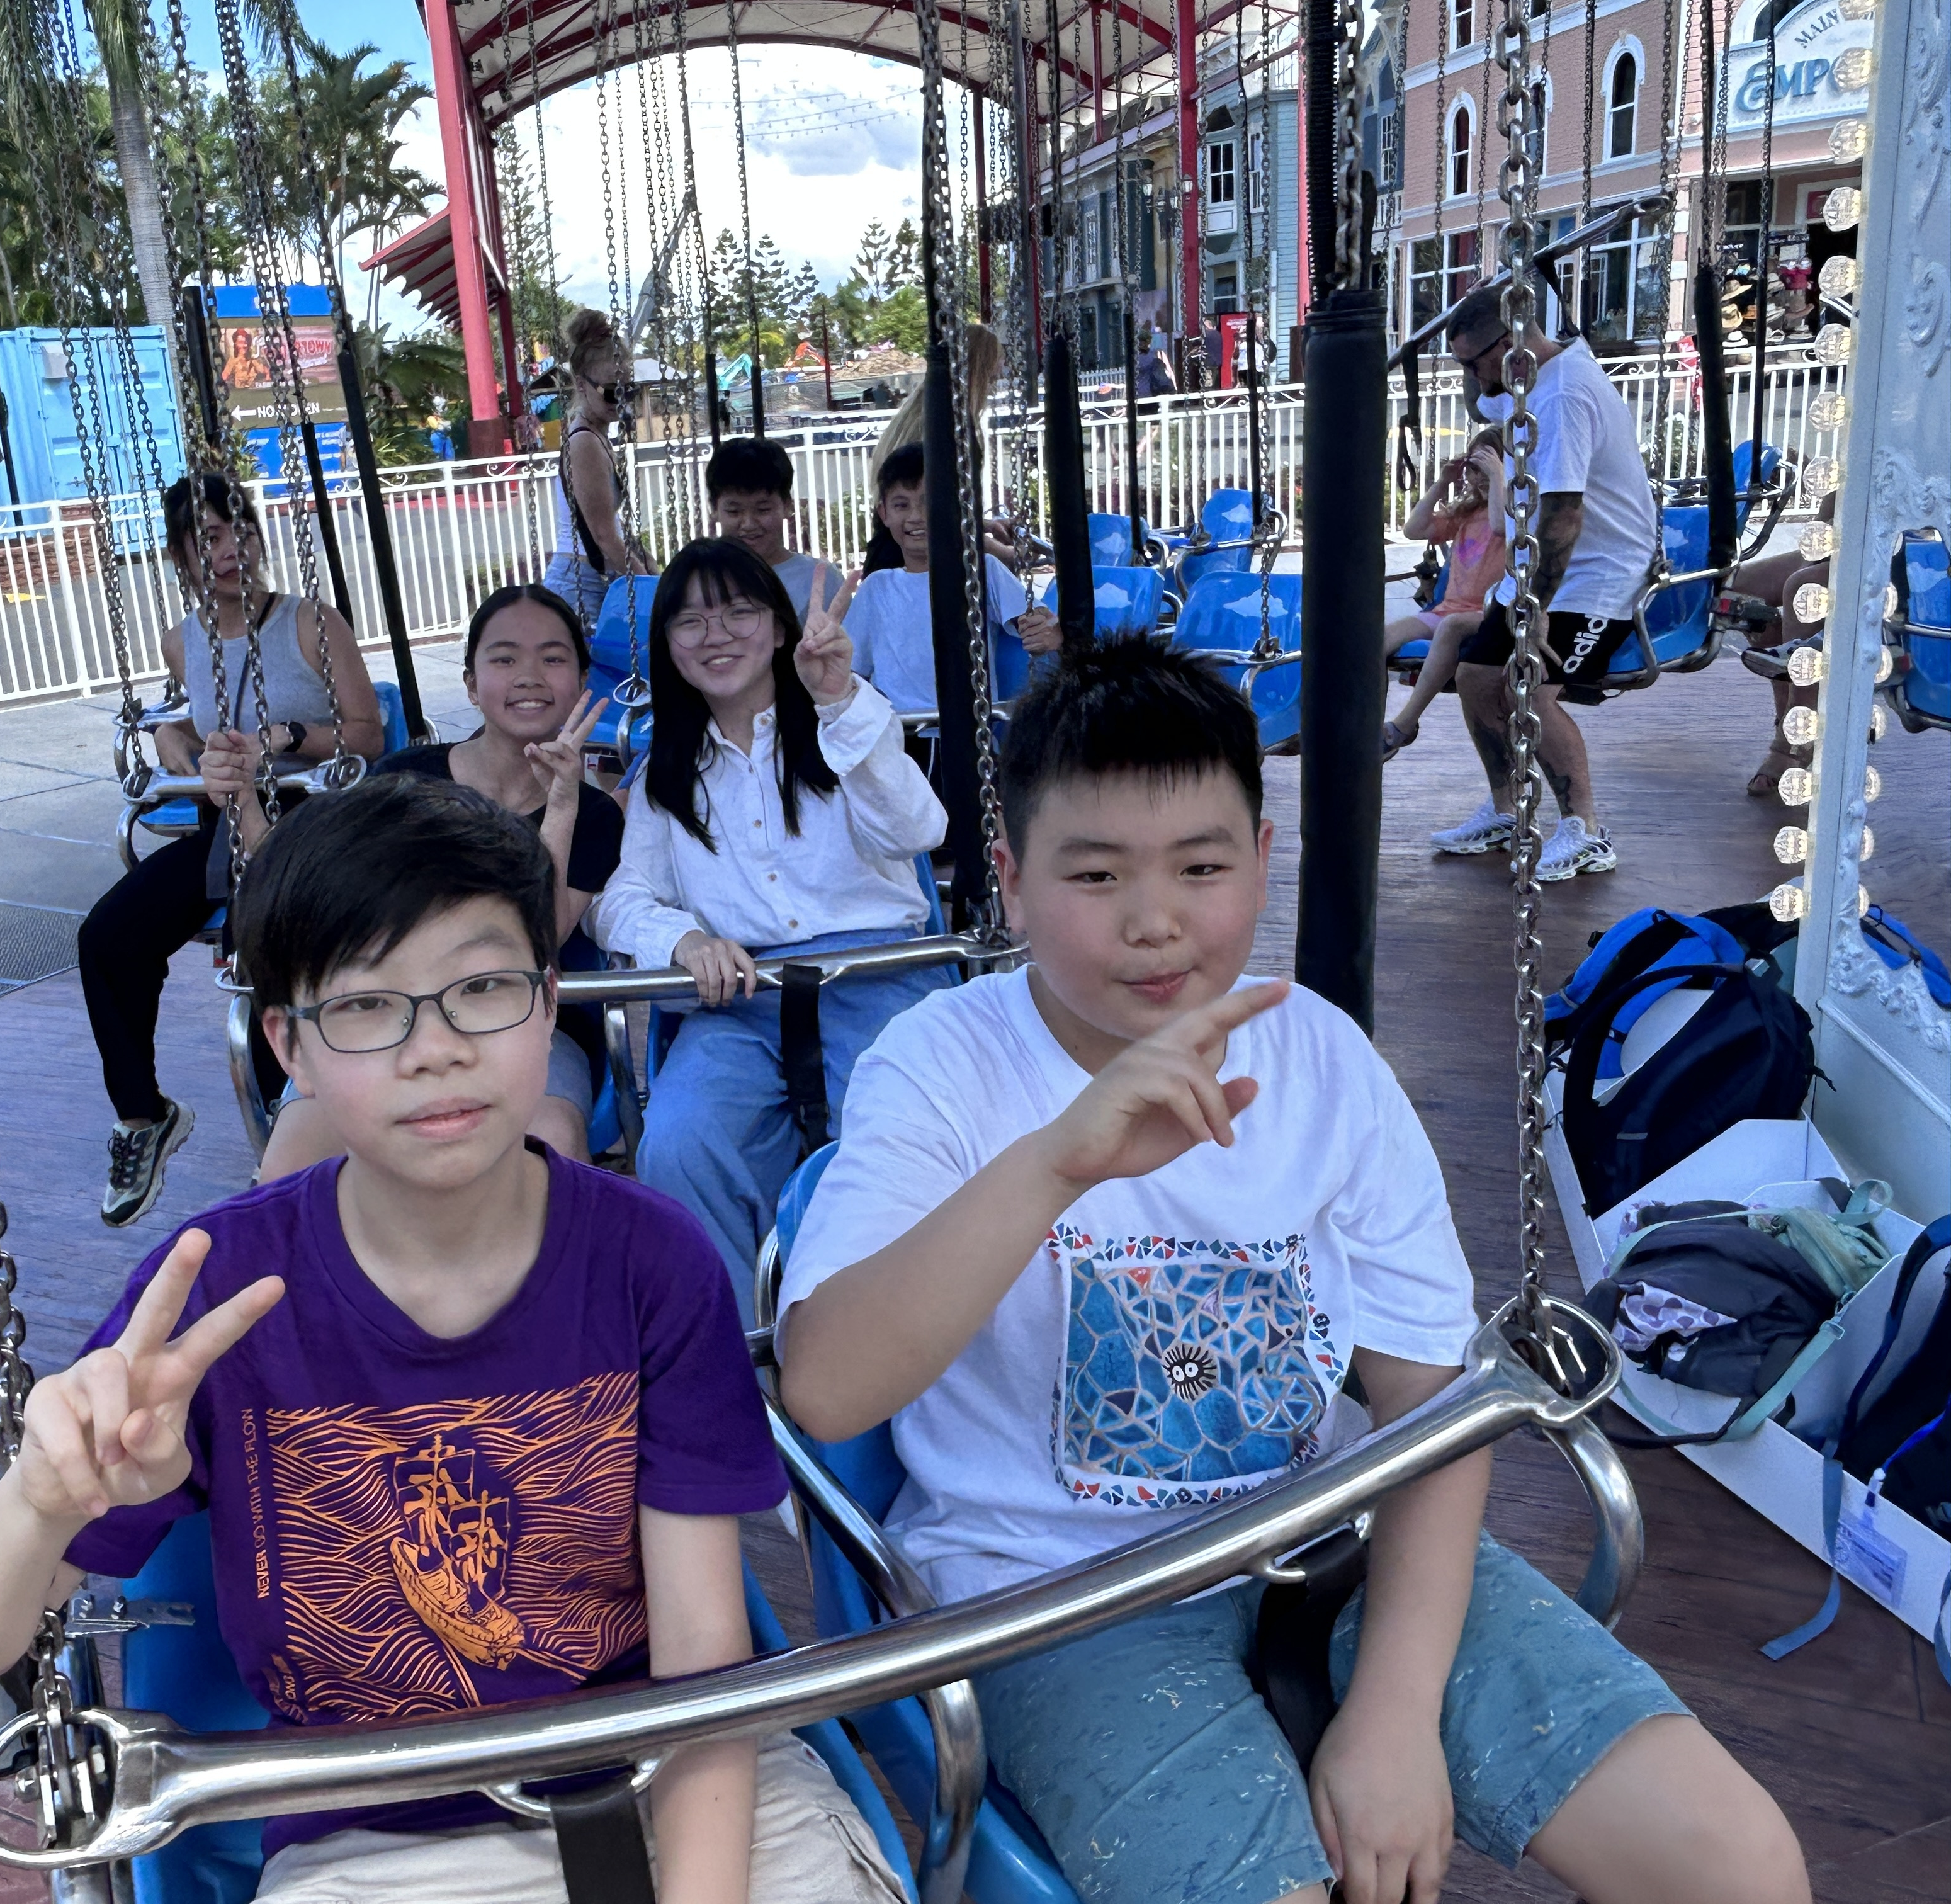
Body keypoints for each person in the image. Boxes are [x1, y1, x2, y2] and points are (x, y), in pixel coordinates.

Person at [774, 639, 1811, 1904]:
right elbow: (825, 1387)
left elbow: (1433, 1403)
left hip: (1334, 1542)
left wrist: (1395, 1711)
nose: (1154, 920)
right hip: (1061, 1603)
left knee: (1738, 1862)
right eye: (1094, 874)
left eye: (1201, 867)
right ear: (1012, 878)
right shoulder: (940, 1069)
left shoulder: (1320, 1061)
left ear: (1261, 860)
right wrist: (1056, 1163)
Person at [0, 777, 907, 1904]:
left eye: (481, 988)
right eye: (368, 1005)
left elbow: (702, 1659)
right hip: (381, 1829)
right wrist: (42, 1502)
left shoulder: (650, 1263)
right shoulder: (221, 1296)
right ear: (289, 1045)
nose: (435, 1048)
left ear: (547, 1003)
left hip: (669, 1768)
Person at [593, 536, 951, 1316]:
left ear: (781, 627)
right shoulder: (665, 775)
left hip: (875, 973)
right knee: (681, 1142)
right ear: (668, 646)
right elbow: (620, 898)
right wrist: (684, 941)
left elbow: (920, 829)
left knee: (905, 1136)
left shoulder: (845, 723)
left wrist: (839, 700)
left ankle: (906, 1326)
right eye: (691, 621)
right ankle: (738, 1342)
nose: (716, 635)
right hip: (743, 993)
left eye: (739, 612)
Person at [76, 472, 380, 1228]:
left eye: (237, 529)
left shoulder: (311, 622)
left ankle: (298, 1128)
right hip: (226, 825)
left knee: (266, 947)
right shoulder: (184, 642)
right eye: (207, 537)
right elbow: (197, 712)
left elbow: (368, 736)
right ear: (181, 555)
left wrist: (289, 736)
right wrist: (172, 736)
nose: (228, 549)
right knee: (107, 937)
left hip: (308, 819)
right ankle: (144, 1116)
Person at [258, 585, 618, 1177]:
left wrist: (560, 806)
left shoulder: (594, 815)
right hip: (385, 1009)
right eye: (505, 658)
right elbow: (330, 900)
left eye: (553, 658)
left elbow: (542, 938)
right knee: (292, 1159)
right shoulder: (407, 779)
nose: (529, 675)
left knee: (550, 1145)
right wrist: (242, 797)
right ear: (472, 685)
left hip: (520, 1019)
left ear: (582, 682)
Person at [1434, 286, 1656, 882]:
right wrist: (1479, 372)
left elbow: (1562, 520)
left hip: (1598, 574)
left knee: (1525, 688)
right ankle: (1505, 811)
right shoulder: (1526, 383)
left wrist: (1534, 616)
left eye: (1475, 363)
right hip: (1537, 569)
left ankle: (1586, 831)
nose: (1474, 379)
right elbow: (1483, 408)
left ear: (1512, 345)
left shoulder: (1563, 395)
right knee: (1475, 676)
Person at [842, 443, 1062, 716]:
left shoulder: (982, 571)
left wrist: (1044, 630)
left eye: (929, 502)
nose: (916, 517)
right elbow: (851, 670)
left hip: (972, 728)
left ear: (954, 506)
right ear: (884, 514)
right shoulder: (876, 588)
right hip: (900, 732)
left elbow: (1040, 621)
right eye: (901, 505)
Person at [1382, 430, 1508, 759]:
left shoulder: (1517, 512)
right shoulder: (1468, 513)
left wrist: (1498, 478)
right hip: (1448, 610)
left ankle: (1404, 724)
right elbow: (1413, 530)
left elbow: (1501, 526)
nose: (1479, 477)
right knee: (1379, 639)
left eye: (1487, 467)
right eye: (1474, 468)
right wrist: (1443, 482)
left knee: (1452, 627)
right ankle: (1361, 719)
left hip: (1492, 614)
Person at [863, 322, 1012, 575]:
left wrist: (983, 525)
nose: (990, 390)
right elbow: (941, 518)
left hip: (889, 556)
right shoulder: (949, 430)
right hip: (919, 568)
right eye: (991, 380)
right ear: (976, 376)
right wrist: (1005, 554)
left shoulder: (915, 416)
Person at [546, 307, 655, 627]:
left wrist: (648, 564)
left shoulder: (595, 435)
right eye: (610, 392)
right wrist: (651, 588)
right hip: (579, 583)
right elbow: (605, 536)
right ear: (581, 385)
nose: (621, 400)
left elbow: (612, 524)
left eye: (628, 390)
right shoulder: (585, 442)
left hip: (589, 577)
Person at [1726, 493, 1835, 797]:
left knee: (1803, 588)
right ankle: (1788, 720)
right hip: (1832, 553)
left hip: (1882, 559)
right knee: (1735, 589)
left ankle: (1794, 741)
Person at [706, 434, 845, 608]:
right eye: (734, 511)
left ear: (787, 506)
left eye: (763, 510)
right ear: (714, 509)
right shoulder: (697, 581)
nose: (749, 524)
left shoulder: (822, 580)